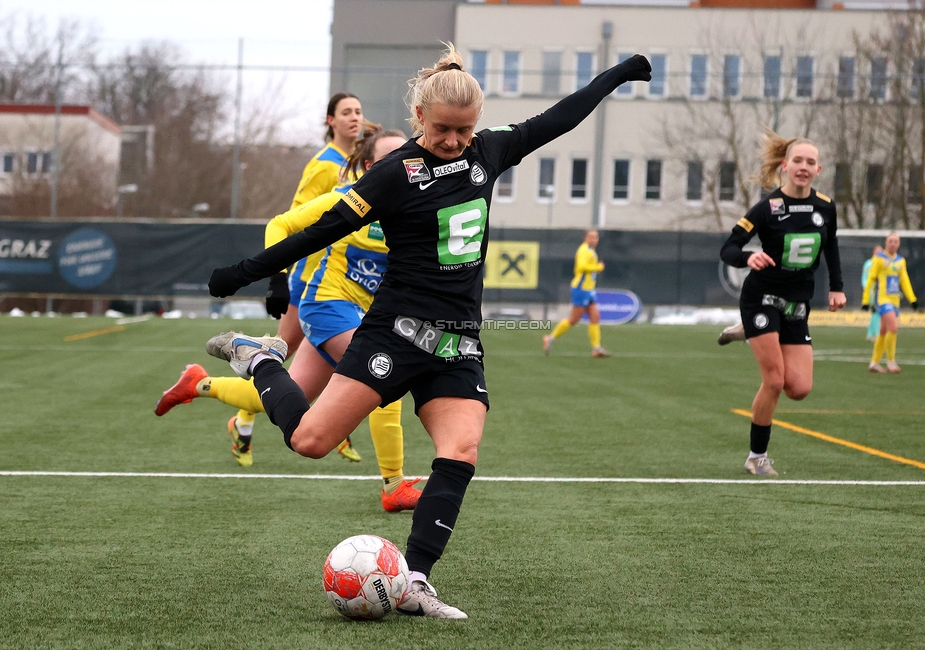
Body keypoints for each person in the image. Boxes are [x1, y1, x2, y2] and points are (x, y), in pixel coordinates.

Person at [205, 44, 651, 617]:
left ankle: (416, 579)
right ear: (420, 119)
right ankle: (261, 361)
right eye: (442, 130)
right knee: (310, 441)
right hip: (394, 332)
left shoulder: (489, 150)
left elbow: (559, 117)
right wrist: (245, 273)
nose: (454, 141)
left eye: (464, 131)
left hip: (457, 340)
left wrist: (617, 75)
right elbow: (320, 229)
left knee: (460, 450)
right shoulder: (393, 174)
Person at [156, 126, 423, 513]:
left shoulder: (411, 210)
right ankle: (394, 485)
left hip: (355, 315)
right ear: (368, 167)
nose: (398, 167)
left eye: (404, 159)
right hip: (324, 304)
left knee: (290, 399)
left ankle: (199, 383)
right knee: (383, 371)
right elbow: (279, 224)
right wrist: (277, 278)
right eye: (386, 160)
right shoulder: (346, 198)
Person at [239, 92, 366, 463]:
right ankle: (233, 408)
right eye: (346, 113)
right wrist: (282, 275)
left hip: (338, 278)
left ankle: (335, 426)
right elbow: (295, 219)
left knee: (294, 368)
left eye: (358, 111)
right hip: (311, 278)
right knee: (281, 360)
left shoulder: (353, 160)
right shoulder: (326, 166)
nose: (354, 118)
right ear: (330, 121)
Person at [720, 132, 846, 476]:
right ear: (784, 166)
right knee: (774, 381)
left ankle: (748, 330)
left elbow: (830, 248)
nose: (803, 167)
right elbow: (728, 249)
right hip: (761, 298)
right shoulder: (766, 209)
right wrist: (749, 257)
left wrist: (837, 288)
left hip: (797, 303)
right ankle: (756, 457)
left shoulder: (825, 206)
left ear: (817, 169)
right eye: (797, 161)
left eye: (810, 162)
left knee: (799, 389)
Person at [542, 229, 611, 357]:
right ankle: (549, 338)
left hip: (589, 290)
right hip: (581, 289)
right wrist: (598, 267)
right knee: (573, 319)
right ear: (585, 238)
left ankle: (596, 348)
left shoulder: (590, 250)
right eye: (591, 237)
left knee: (595, 317)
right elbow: (581, 267)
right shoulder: (584, 250)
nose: (594, 239)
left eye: (596, 237)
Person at [862, 232, 917, 374]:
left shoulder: (900, 261)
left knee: (883, 331)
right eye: (890, 241)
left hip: (895, 301)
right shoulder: (879, 259)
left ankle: (874, 363)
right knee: (893, 327)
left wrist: (912, 299)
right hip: (882, 300)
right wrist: (866, 300)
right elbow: (871, 280)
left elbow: (904, 281)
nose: (893, 243)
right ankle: (891, 362)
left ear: (899, 244)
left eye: (895, 241)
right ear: (886, 243)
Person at [862, 245, 884, 342]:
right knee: (876, 312)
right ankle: (876, 333)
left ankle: (871, 333)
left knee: (876, 313)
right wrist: (868, 289)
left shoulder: (882, 263)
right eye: (877, 251)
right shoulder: (869, 264)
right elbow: (865, 278)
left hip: (880, 292)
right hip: (872, 292)